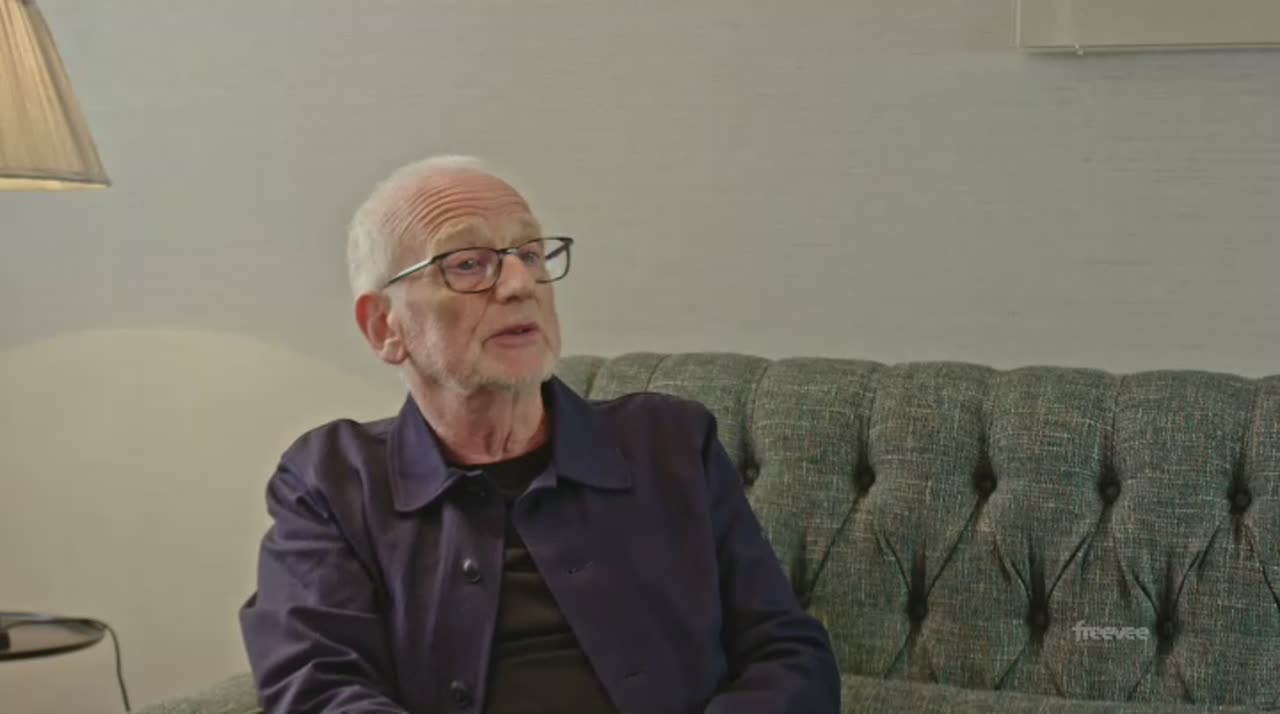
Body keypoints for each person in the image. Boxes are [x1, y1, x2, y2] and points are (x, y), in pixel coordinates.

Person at [237, 155, 841, 714]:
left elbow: (787, 654)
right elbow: (317, 687)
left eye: (529, 254)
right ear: (383, 327)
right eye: (467, 263)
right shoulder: (330, 481)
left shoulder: (672, 445)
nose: (519, 284)